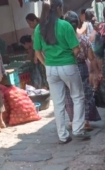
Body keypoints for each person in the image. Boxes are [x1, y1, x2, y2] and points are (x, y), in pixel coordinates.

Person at [34, 0, 88, 143]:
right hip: (68, 66)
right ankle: (78, 130)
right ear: (58, 9)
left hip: (51, 69)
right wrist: (70, 58)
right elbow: (76, 49)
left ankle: (62, 136)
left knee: (58, 103)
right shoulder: (65, 26)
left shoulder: (40, 28)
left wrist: (46, 64)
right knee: (78, 97)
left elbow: (37, 52)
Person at [63, 11, 101, 131]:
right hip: (81, 69)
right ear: (78, 23)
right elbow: (91, 58)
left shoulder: (62, 42)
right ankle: (85, 120)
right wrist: (97, 72)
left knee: (69, 95)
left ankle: (73, 120)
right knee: (84, 94)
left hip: (66, 69)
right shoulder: (83, 39)